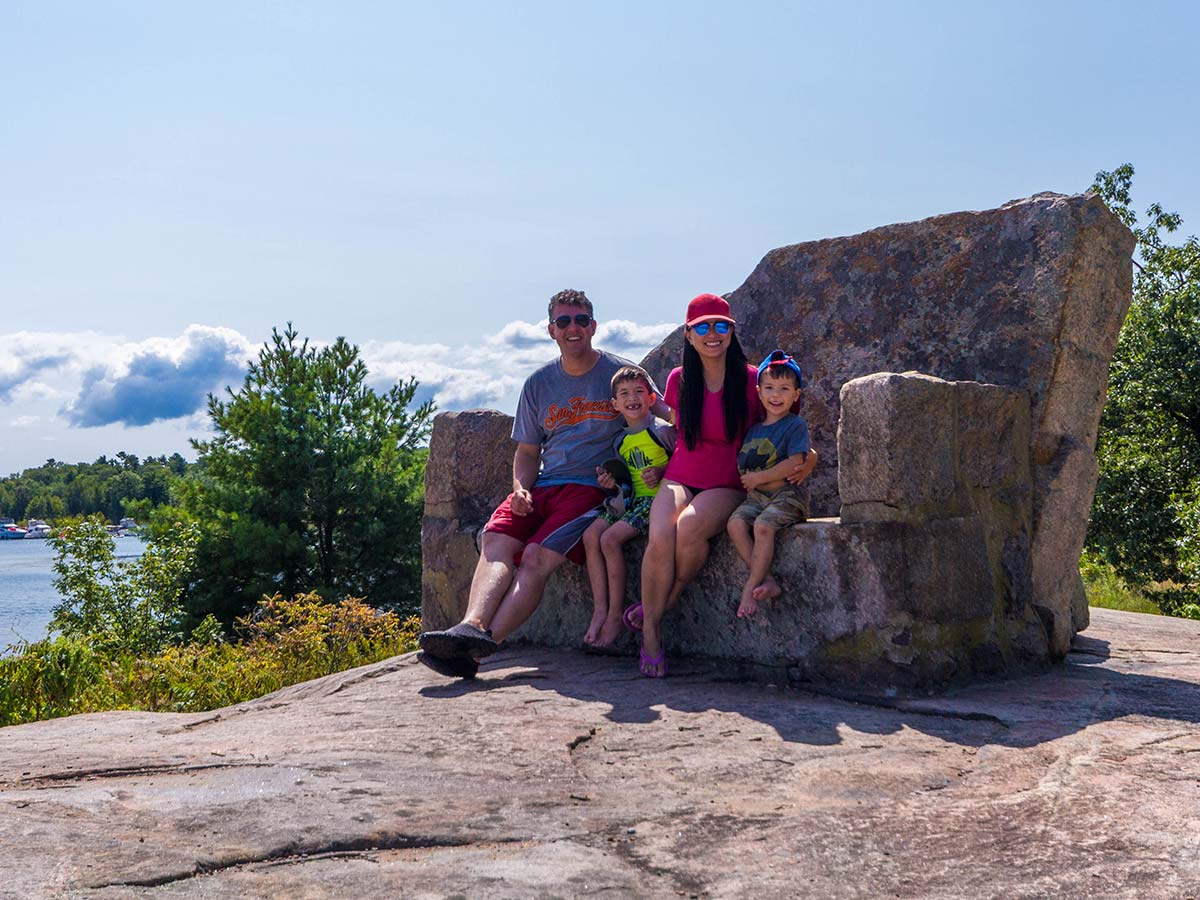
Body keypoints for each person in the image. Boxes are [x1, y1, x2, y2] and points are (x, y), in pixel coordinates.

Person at [418, 289, 663, 679]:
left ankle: (480, 648)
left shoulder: (621, 374)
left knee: (535, 559)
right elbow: (528, 452)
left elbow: (661, 418)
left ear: (593, 327)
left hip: (591, 489)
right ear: (551, 330)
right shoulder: (538, 384)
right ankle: (470, 626)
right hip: (544, 485)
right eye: (563, 321)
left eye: (580, 320)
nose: (573, 328)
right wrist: (519, 488)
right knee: (495, 540)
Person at [632, 293, 761, 678]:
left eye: (720, 325)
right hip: (681, 473)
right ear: (688, 335)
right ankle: (651, 633)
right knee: (660, 533)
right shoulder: (679, 379)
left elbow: (780, 421)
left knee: (689, 527)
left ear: (732, 330)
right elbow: (676, 426)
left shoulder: (753, 380)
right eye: (702, 327)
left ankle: (664, 603)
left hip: (728, 480)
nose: (712, 334)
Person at [581, 365, 676, 648]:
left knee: (609, 540)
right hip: (629, 502)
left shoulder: (662, 432)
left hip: (654, 502)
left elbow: (684, 464)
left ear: (651, 398)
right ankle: (599, 609)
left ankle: (614, 616)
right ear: (615, 404)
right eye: (624, 394)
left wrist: (662, 471)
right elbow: (624, 481)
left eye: (639, 392)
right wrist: (609, 480)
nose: (632, 398)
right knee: (590, 535)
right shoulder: (620, 440)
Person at [727, 350, 818, 618]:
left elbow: (796, 462)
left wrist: (758, 478)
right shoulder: (754, 429)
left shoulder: (794, 425)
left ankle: (750, 586)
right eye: (769, 388)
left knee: (763, 526)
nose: (776, 395)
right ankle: (766, 577)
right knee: (734, 524)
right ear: (759, 392)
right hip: (757, 498)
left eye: (784, 389)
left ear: (796, 394)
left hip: (786, 495)